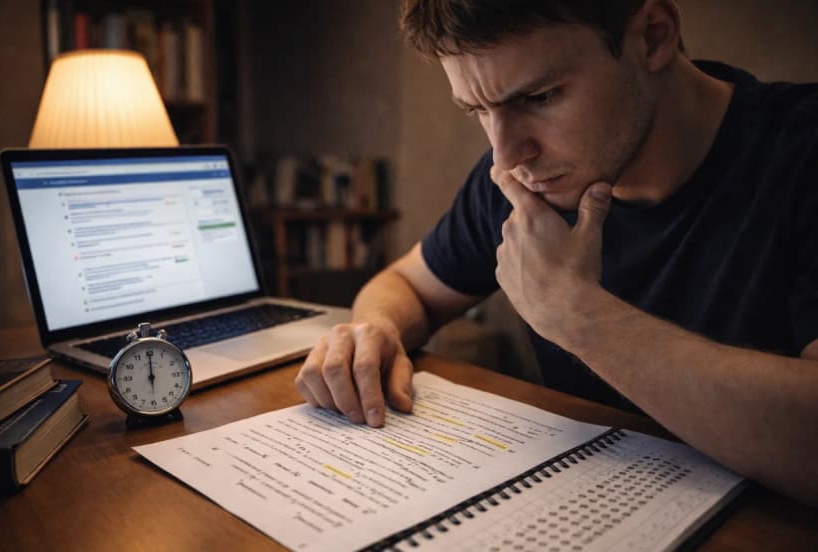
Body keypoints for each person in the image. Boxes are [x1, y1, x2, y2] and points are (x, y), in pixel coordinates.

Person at [294, 0, 818, 505]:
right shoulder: (516, 181)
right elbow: (407, 285)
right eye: (478, 110)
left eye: (540, 97)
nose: (506, 155)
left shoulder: (801, 152)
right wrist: (376, 329)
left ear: (653, 35)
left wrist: (577, 315)